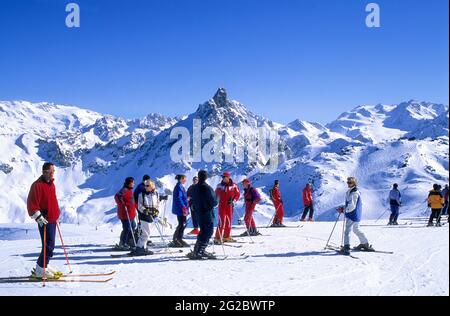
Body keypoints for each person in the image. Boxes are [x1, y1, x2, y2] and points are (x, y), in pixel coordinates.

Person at [27, 162, 62, 279]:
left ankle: (43, 266)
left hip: (52, 219)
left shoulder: (51, 184)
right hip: (44, 220)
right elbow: (31, 204)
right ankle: (40, 270)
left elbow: (52, 200)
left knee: (50, 245)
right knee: (48, 246)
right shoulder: (37, 185)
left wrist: (56, 213)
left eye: (53, 171)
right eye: (50, 172)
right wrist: (38, 217)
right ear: (44, 172)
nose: (52, 174)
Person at [187, 170, 219, 260]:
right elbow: (214, 202)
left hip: (198, 213)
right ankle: (200, 251)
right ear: (206, 177)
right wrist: (217, 199)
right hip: (207, 213)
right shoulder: (207, 188)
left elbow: (191, 198)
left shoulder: (194, 187)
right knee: (208, 231)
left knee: (203, 231)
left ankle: (197, 250)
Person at [337, 177, 373, 255]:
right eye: (348, 182)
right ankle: (365, 243)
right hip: (356, 214)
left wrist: (344, 210)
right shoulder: (352, 192)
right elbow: (350, 204)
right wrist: (343, 207)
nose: (348, 184)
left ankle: (346, 247)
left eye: (350, 182)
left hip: (352, 214)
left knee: (347, 231)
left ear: (354, 183)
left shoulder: (354, 193)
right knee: (356, 229)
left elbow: (352, 206)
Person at [134, 179, 160, 256]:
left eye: (147, 185)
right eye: (145, 185)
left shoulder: (156, 194)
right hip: (144, 216)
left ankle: (142, 247)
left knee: (148, 233)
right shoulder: (142, 194)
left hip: (152, 216)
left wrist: (157, 211)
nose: (145, 187)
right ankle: (140, 248)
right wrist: (145, 210)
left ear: (152, 186)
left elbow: (158, 204)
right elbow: (139, 205)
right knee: (146, 233)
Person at [214, 171, 240, 244]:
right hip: (222, 206)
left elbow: (237, 194)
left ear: (228, 177)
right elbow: (215, 195)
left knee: (229, 221)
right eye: (222, 177)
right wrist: (214, 201)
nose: (223, 178)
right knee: (221, 222)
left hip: (230, 206)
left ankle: (226, 236)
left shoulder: (234, 185)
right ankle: (217, 237)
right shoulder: (219, 186)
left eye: (224, 177)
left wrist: (234, 200)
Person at [114, 177, 137, 251]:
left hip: (131, 214)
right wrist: (122, 203)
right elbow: (117, 196)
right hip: (125, 214)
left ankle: (128, 241)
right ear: (129, 183)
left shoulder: (129, 190)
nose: (134, 184)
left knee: (133, 226)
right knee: (127, 228)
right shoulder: (124, 190)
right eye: (133, 182)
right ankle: (122, 243)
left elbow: (131, 201)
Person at [170, 174, 190, 247]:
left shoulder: (180, 186)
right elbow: (179, 198)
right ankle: (177, 239)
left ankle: (178, 238)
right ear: (181, 179)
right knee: (182, 224)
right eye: (184, 178)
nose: (185, 180)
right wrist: (183, 207)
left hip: (181, 208)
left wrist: (186, 199)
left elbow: (181, 197)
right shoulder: (178, 187)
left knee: (182, 224)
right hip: (181, 209)